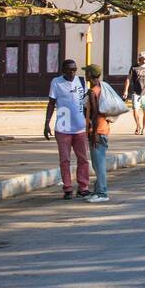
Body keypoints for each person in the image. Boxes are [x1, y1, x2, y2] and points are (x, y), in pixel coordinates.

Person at [44, 59, 89, 200]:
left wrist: (90, 122)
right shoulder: (56, 82)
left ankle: (83, 187)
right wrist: (47, 123)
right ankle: (68, 188)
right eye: (69, 69)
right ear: (63, 70)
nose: (72, 72)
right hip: (63, 127)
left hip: (80, 127)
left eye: (74, 69)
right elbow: (51, 103)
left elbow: (87, 104)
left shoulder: (81, 81)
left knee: (83, 159)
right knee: (65, 160)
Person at [82, 64, 111, 203]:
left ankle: (102, 193)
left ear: (90, 75)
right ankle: (97, 190)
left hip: (97, 131)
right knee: (97, 163)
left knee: (98, 164)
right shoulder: (102, 87)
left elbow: (94, 113)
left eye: (86, 73)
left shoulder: (93, 92)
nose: (85, 75)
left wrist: (93, 132)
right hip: (103, 129)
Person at [123, 51, 145, 135]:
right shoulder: (134, 67)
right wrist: (125, 90)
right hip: (136, 92)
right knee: (135, 110)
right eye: (143, 59)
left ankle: (144, 128)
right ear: (139, 59)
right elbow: (128, 79)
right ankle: (138, 126)